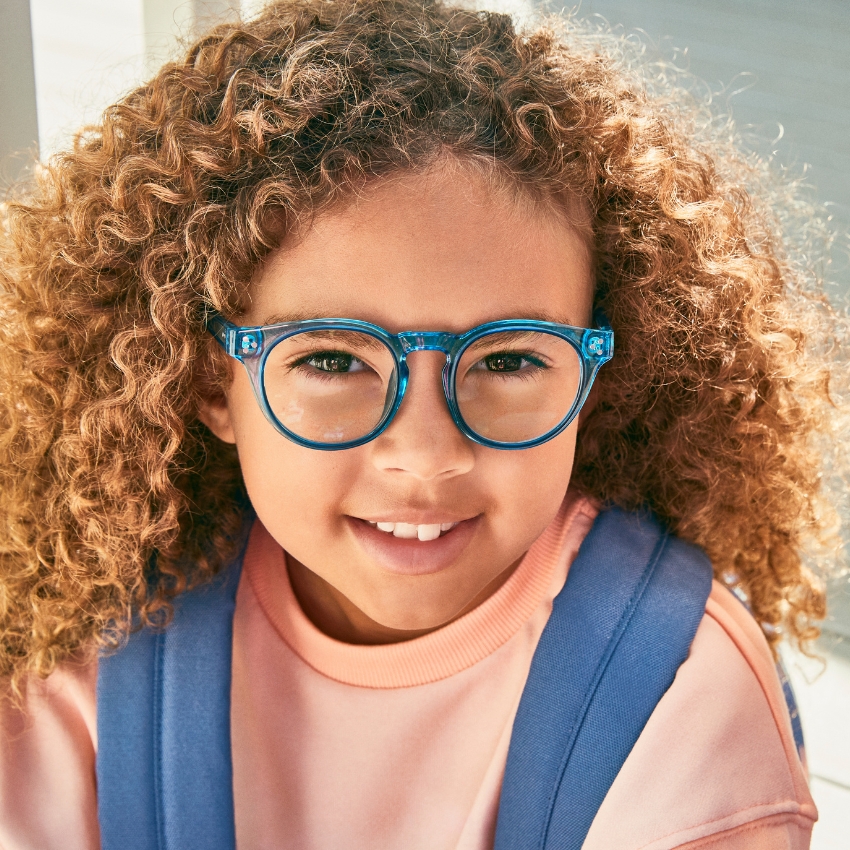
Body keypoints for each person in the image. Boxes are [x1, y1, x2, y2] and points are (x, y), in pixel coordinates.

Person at [0, 0, 845, 847]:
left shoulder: (677, 689)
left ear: (595, 382)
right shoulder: (83, 647)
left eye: (510, 361)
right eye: (331, 361)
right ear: (211, 384)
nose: (427, 455)